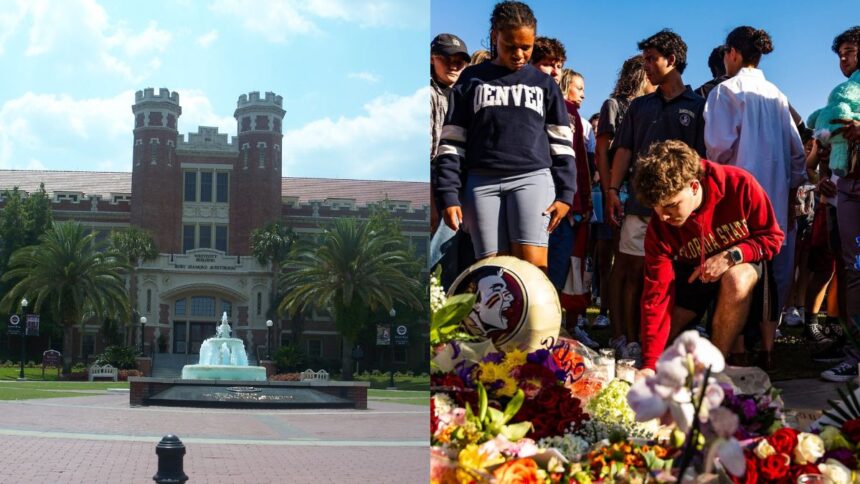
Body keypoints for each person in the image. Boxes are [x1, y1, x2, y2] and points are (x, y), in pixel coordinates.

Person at [432, 0, 576, 272]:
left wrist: (566, 193)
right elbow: (451, 143)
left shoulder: (544, 84)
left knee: (532, 272)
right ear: (494, 36)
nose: (520, 54)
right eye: (511, 46)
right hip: (481, 183)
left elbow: (562, 144)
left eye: (527, 47)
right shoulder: (471, 79)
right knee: (490, 273)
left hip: (532, 179)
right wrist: (448, 195)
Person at [703, 26, 806, 369]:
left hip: (735, 200)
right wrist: (790, 196)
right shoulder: (777, 95)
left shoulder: (726, 91)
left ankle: (737, 348)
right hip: (774, 198)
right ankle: (767, 349)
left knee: (738, 271)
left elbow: (717, 150)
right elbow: (797, 154)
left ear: (731, 53)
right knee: (772, 276)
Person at [635, 140, 784, 372]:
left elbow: (773, 238)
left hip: (741, 266)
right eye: (657, 208)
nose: (664, 216)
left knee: (736, 279)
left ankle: (713, 369)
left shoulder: (740, 184)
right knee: (659, 341)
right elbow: (656, 293)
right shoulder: (660, 225)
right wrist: (649, 364)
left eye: (672, 206)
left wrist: (732, 256)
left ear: (694, 186)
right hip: (694, 273)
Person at [605, 30, 706, 360]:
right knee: (633, 273)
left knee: (676, 277)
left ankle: (667, 341)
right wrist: (611, 190)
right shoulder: (639, 106)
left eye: (652, 59)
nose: (646, 65)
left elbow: (705, 160)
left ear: (672, 61)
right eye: (645, 58)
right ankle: (630, 339)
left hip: (680, 211)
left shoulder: (700, 106)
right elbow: (623, 150)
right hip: (638, 203)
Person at [816, 25, 860, 382]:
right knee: (853, 272)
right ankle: (854, 354)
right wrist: (827, 175)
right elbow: (830, 136)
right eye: (840, 54)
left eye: (849, 51)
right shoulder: (842, 94)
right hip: (846, 188)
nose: (843, 60)